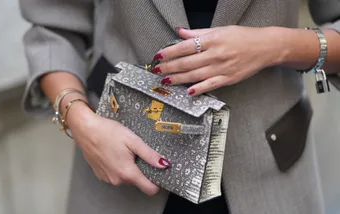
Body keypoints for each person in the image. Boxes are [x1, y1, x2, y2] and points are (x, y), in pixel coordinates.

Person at [19, 0, 340, 213]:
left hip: (268, 173)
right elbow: (53, 28)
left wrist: (276, 45)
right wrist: (81, 122)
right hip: (122, 171)